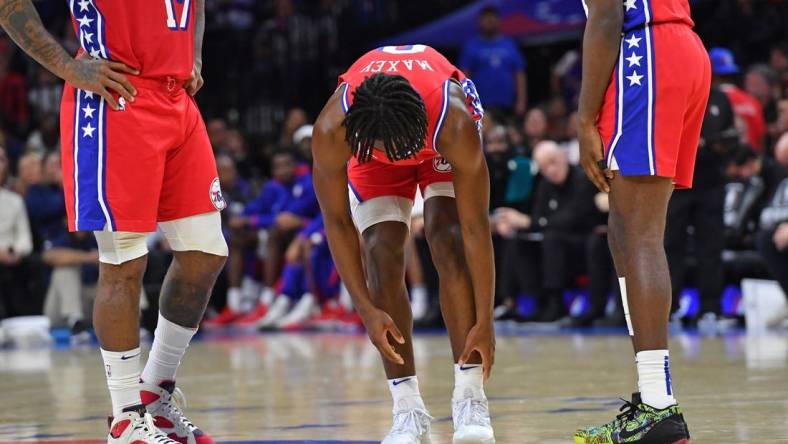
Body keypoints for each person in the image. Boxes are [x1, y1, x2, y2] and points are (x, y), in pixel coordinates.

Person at [0, 2, 227, 444]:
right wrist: (68, 66)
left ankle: (155, 392)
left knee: (206, 255)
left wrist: (193, 55)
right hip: (116, 97)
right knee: (124, 261)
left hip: (177, 99)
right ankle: (125, 417)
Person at [312, 45, 495, 443]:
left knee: (447, 237)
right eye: (393, 152)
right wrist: (365, 309)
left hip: (433, 139)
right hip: (375, 145)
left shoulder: (454, 121)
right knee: (379, 251)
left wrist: (486, 321)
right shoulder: (333, 130)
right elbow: (339, 224)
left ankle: (470, 398)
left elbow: (476, 229)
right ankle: (407, 408)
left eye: (403, 149)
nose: (402, 158)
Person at [576, 0, 710, 442]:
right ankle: (651, 399)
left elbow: (607, 15)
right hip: (676, 49)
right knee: (624, 233)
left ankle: (659, 407)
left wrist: (582, 118)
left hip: (646, 51)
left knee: (640, 237)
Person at [459, 6, 527, 118]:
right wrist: (466, 102)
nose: (490, 21)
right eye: (486, 19)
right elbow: (464, 76)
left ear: (499, 21)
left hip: (507, 105)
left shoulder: (509, 44)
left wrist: (521, 101)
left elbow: (519, 74)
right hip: (480, 105)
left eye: (492, 18)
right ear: (479, 22)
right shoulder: (471, 46)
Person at [710, 47, 767, 152]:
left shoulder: (711, 102)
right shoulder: (752, 101)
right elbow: (761, 138)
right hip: (753, 162)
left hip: (727, 164)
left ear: (711, 73)